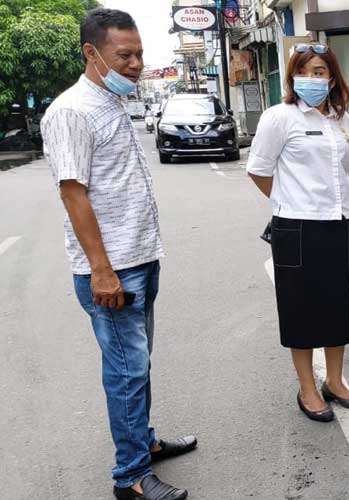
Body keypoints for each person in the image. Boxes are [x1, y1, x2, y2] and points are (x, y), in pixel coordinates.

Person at [41, 9, 196, 500]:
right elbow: (74, 194)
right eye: (123, 55)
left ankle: (143, 443)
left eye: (139, 54)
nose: (135, 64)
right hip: (112, 271)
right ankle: (129, 476)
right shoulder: (72, 110)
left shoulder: (110, 101)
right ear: (92, 53)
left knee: (139, 362)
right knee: (127, 370)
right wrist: (101, 271)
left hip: (140, 257)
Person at [247, 42, 349, 423]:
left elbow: (348, 171)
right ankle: (307, 388)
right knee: (301, 312)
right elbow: (259, 169)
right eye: (304, 71)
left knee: (337, 307)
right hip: (296, 228)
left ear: (332, 78)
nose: (312, 78)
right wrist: (290, 201)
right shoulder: (279, 118)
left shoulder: (342, 119)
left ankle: (334, 380)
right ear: (292, 76)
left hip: (337, 224)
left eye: (320, 71)